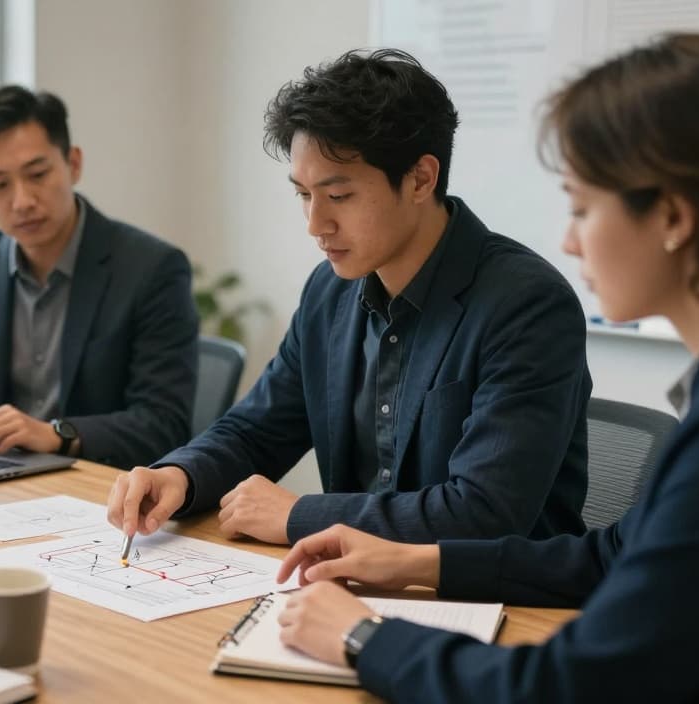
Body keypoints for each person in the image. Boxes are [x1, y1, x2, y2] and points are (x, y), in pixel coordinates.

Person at [271, 33, 699, 701]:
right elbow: (610, 556)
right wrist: (419, 561)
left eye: (583, 207)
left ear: (672, 216)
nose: (568, 238)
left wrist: (363, 638)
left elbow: (574, 685)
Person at [108, 49, 591, 546]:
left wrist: (301, 515)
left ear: (421, 178)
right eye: (303, 194)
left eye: (338, 196)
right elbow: (258, 430)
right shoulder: (330, 292)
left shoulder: (526, 305)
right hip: (350, 588)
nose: (316, 224)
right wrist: (181, 477)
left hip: (497, 604)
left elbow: (486, 511)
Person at [0, 85, 199, 469]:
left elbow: (163, 424)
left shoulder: (152, 268)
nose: (23, 201)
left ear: (73, 164)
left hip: (101, 490)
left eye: (38, 174)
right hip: (2, 480)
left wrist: (56, 434)